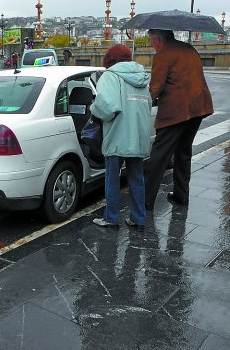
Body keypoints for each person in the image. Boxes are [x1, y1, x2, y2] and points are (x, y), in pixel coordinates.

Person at [144, 29, 214, 210]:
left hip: (175, 113)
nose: (152, 46)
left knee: (158, 158)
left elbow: (155, 88)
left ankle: (146, 202)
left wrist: (143, 104)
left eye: (152, 41)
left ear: (158, 39)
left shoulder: (164, 54)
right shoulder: (189, 49)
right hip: (198, 108)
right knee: (183, 153)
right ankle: (181, 196)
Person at [90, 44, 152, 231]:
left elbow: (107, 107)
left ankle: (111, 218)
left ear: (109, 60)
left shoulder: (110, 76)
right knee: (136, 178)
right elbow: (148, 105)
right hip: (138, 135)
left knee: (112, 179)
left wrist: (93, 108)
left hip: (117, 135)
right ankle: (138, 219)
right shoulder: (142, 78)